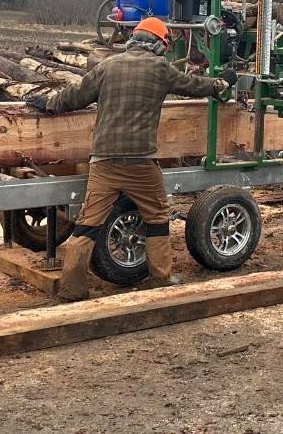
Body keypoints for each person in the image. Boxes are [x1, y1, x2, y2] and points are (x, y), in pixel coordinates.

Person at [27, 16, 235, 301]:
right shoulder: (160, 69)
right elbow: (196, 85)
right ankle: (161, 278)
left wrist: (49, 103)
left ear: (134, 39)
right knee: (157, 216)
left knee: (88, 224)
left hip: (103, 161)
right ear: (159, 45)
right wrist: (223, 82)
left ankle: (71, 288)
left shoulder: (108, 66)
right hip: (140, 163)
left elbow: (75, 96)